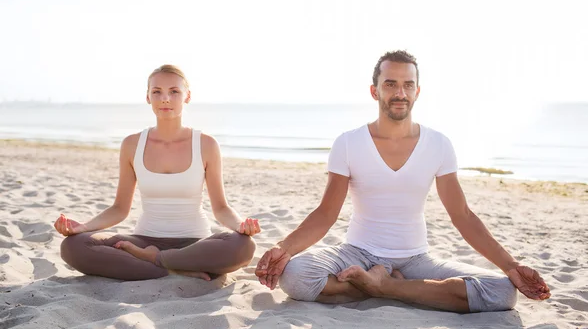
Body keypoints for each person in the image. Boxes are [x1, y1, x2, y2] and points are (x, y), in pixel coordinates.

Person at [255, 51, 551, 312]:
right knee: (295, 275)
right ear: (374, 91)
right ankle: (393, 288)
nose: (400, 92)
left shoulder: (438, 144)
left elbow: (462, 215)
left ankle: (383, 287)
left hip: (415, 260)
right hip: (357, 252)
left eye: (408, 84)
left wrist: (511, 267)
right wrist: (285, 248)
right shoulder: (348, 143)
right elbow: (326, 214)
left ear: (417, 91)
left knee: (501, 291)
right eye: (390, 84)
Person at [56, 65, 259, 281]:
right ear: (147, 97)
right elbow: (119, 209)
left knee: (243, 246)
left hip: (196, 244)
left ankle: (158, 260)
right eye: (157, 92)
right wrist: (83, 227)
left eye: (174, 92)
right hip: (143, 240)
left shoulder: (206, 144)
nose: (165, 99)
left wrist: (240, 226)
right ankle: (171, 267)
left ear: (187, 96)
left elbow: (221, 208)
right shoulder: (132, 144)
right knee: (73, 246)